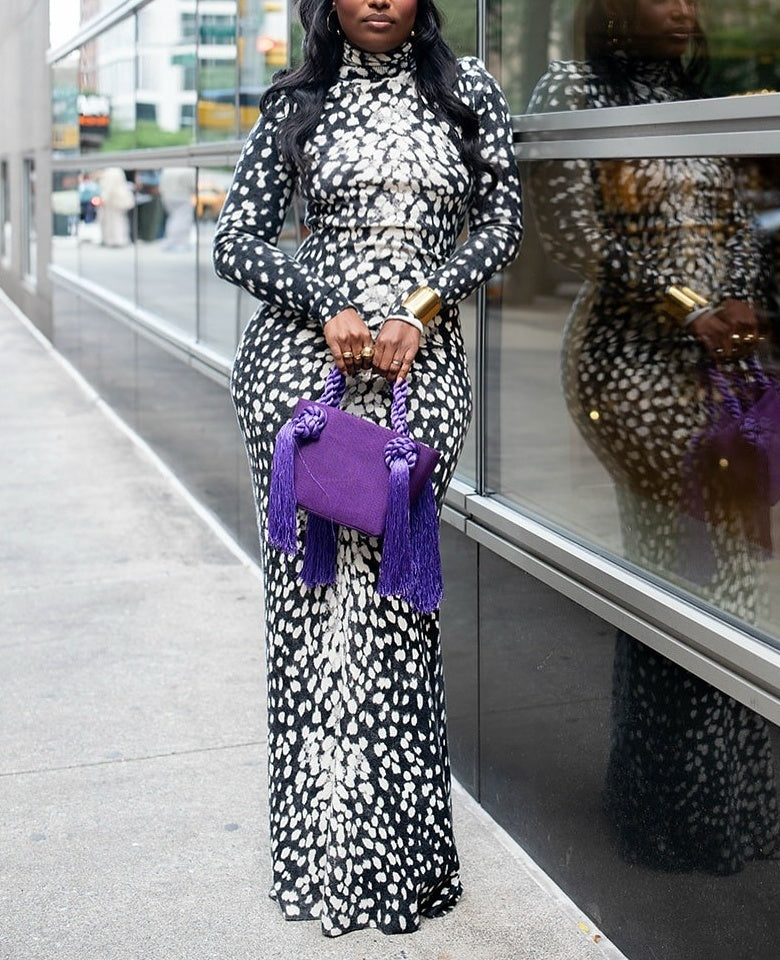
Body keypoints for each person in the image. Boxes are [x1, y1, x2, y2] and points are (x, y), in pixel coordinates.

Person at [213, 0, 522, 936]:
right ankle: (320, 857)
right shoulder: (298, 99)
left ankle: (400, 859)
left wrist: (418, 306)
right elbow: (237, 239)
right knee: (310, 610)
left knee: (393, 609)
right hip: (303, 370)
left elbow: (500, 224)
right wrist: (333, 300)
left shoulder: (466, 91)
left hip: (417, 369)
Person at [527, 0, 780, 874]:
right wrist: (689, 307)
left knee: (720, 571)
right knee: (691, 564)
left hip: (715, 363)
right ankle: (672, 812)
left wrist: (741, 298)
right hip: (626, 357)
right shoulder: (575, 88)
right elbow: (573, 234)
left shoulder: (683, 93)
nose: (682, 8)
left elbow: (738, 222)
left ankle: (706, 805)